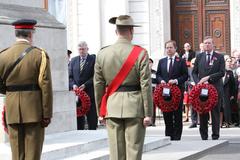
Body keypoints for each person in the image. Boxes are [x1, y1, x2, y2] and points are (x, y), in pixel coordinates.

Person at [94, 15, 153, 160]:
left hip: (112, 106)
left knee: (115, 153)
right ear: (131, 31)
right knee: (134, 151)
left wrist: (100, 112)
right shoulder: (140, 53)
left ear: (116, 32)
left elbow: (98, 85)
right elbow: (146, 84)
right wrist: (148, 113)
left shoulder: (102, 53)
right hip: (135, 107)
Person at [0, 19, 53, 160]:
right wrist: (47, 113)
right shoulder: (39, 54)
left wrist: (11, 93)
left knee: (16, 154)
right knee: (33, 154)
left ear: (16, 33)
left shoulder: (2, 55)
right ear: (31, 34)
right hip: (34, 110)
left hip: (12, 110)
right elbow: (45, 86)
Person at [192, 36, 225, 140]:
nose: (207, 45)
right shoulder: (199, 56)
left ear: (213, 45)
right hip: (202, 90)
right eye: (205, 43)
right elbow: (194, 72)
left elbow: (221, 72)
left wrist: (209, 78)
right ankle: (204, 135)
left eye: (209, 43)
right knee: (202, 112)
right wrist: (199, 83)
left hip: (215, 89)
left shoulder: (219, 57)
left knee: (215, 113)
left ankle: (215, 135)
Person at [156, 40, 188, 140]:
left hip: (177, 92)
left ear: (175, 48)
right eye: (167, 48)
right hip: (165, 93)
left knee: (177, 114)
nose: (169, 49)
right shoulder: (162, 61)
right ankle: (168, 135)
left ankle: (177, 136)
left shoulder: (181, 61)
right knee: (167, 114)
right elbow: (158, 75)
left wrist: (176, 81)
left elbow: (185, 76)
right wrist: (161, 81)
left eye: (170, 47)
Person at [69, 41, 98, 130]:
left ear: (87, 49)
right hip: (77, 96)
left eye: (83, 49)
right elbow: (70, 76)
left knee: (92, 119)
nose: (81, 51)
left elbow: (96, 76)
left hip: (89, 94)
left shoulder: (93, 60)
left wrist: (85, 85)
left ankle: (93, 133)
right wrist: (73, 85)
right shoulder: (73, 60)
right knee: (79, 120)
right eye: (79, 49)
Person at [221, 56, 236, 128]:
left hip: (227, 92)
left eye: (230, 61)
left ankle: (227, 122)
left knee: (226, 107)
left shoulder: (230, 72)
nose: (229, 63)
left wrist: (232, 94)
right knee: (220, 107)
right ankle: (220, 122)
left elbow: (233, 85)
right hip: (219, 91)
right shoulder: (220, 70)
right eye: (228, 61)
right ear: (225, 62)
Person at [149, 58, 157, 126]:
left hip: (153, 90)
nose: (149, 64)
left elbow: (157, 81)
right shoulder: (142, 71)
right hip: (145, 90)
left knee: (153, 105)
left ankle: (153, 121)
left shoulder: (155, 72)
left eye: (150, 63)